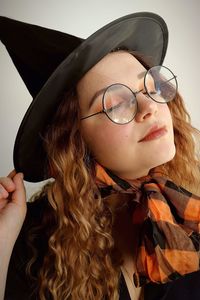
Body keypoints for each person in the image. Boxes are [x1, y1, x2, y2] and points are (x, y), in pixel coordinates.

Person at [0, 12, 199, 300]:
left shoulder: (190, 211)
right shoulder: (29, 244)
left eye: (150, 86)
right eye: (116, 104)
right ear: (74, 139)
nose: (149, 106)